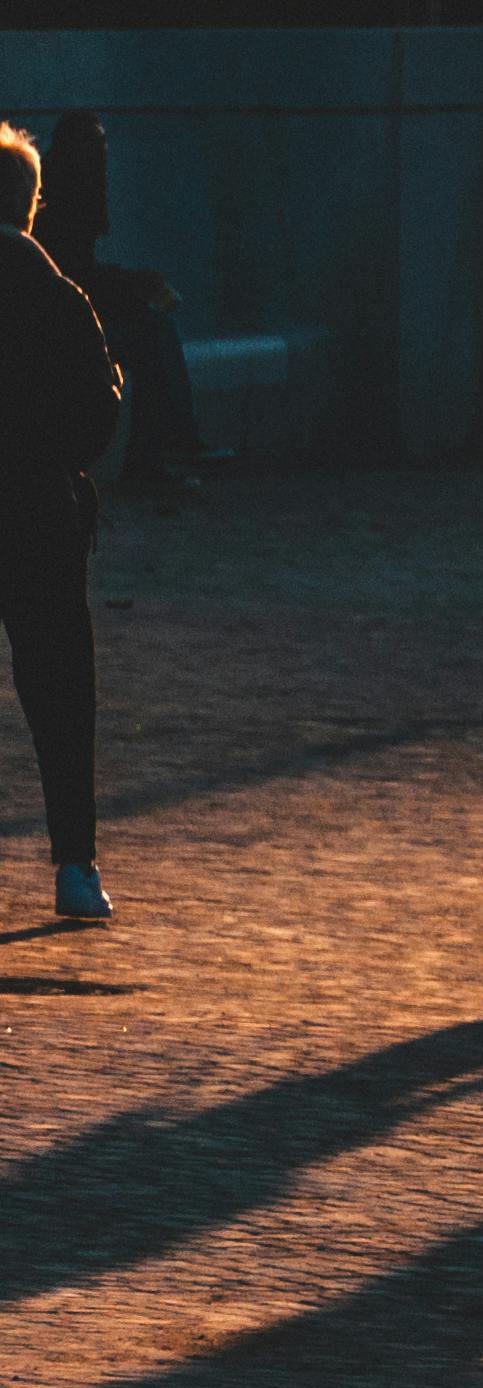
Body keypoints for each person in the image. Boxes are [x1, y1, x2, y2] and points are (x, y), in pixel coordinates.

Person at [0, 127, 118, 928]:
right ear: (30, 204)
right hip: (37, 508)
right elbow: (100, 407)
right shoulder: (54, 290)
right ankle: (75, 867)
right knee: (59, 692)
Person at [39, 117, 216, 492]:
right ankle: (166, 447)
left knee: (151, 331)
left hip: (56, 318)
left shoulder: (59, 194)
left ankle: (168, 446)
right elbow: (72, 279)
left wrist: (128, 284)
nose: (104, 159)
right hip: (57, 325)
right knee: (151, 337)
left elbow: (74, 275)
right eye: (98, 150)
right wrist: (132, 283)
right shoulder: (67, 201)